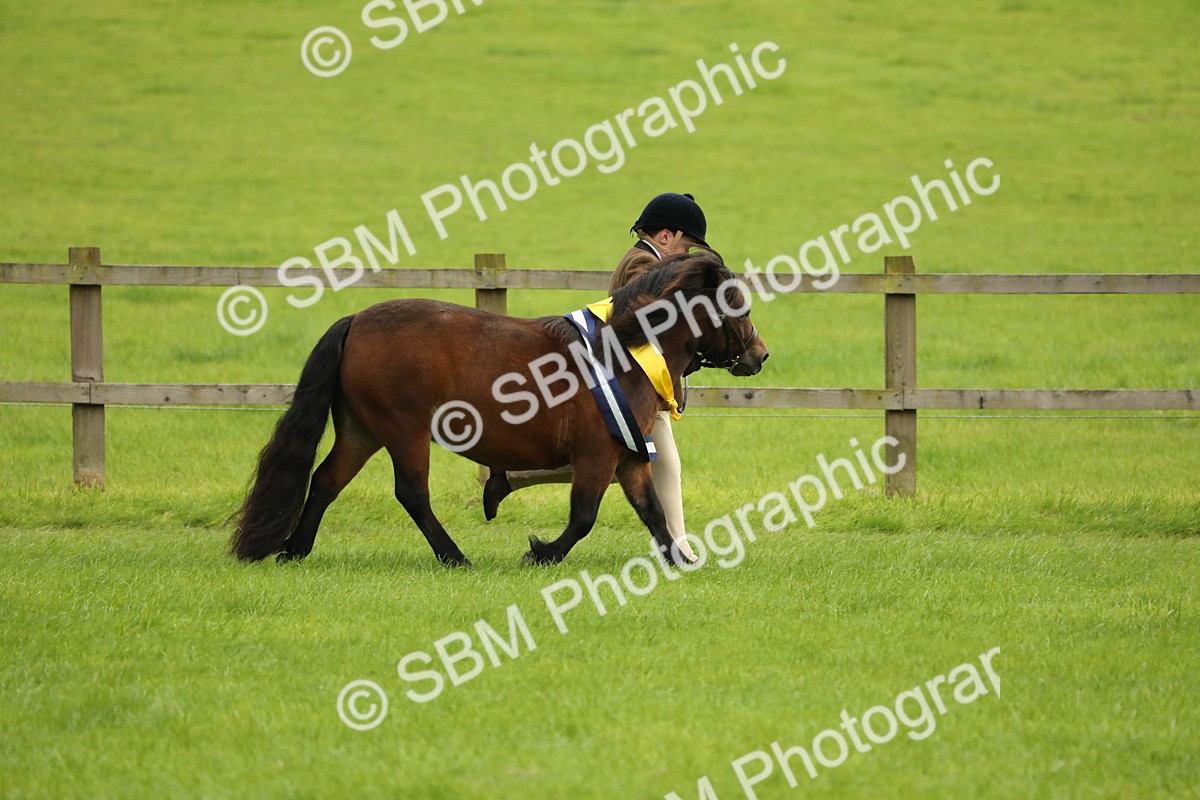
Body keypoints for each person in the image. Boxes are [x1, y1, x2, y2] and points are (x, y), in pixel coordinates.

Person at [483, 192, 710, 561]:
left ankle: (512, 476)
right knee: (660, 462)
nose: (687, 256)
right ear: (666, 236)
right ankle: (679, 547)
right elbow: (652, 320)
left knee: (614, 461)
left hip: (643, 383)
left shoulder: (647, 260)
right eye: (687, 247)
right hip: (633, 385)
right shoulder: (641, 264)